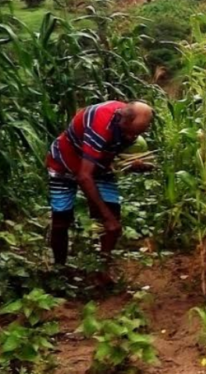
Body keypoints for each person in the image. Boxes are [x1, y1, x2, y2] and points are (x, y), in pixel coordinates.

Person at [46, 101, 154, 271]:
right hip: (64, 163)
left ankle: (102, 270)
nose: (132, 138)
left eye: (137, 135)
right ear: (123, 122)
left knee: (113, 214)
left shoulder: (127, 120)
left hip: (98, 166)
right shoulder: (100, 126)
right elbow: (84, 176)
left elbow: (111, 155)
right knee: (61, 219)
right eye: (130, 133)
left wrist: (133, 165)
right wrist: (106, 218)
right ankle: (60, 270)